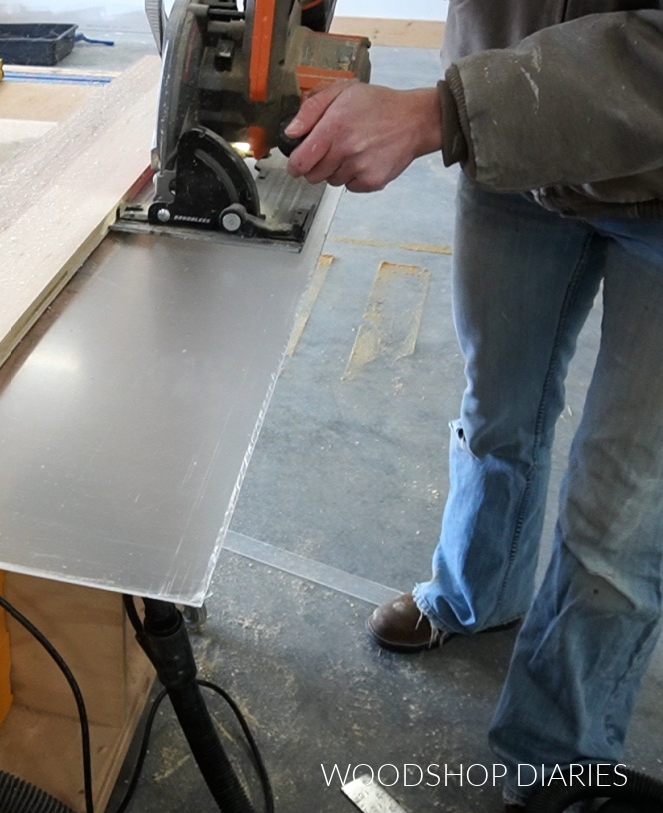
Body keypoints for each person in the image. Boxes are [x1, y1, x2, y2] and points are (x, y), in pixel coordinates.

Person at [282, 2, 663, 810]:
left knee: (617, 521)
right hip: (515, 157)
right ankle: (478, 592)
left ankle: (555, 766)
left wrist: (441, 112)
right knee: (498, 415)